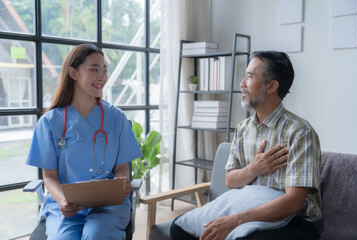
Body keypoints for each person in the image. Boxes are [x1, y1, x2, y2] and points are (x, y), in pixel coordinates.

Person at [170, 51, 321, 240]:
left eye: (249, 76)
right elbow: (230, 180)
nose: (242, 83)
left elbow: (293, 203)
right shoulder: (243, 128)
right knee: (179, 228)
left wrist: (235, 220)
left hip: (293, 220)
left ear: (272, 86)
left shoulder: (300, 132)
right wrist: (255, 168)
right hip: (247, 207)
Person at [26, 44, 142, 240]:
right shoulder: (49, 123)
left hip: (107, 205)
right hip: (66, 205)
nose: (102, 77)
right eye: (94, 69)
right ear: (73, 73)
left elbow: (122, 167)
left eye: (104, 70)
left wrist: (121, 181)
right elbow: (50, 177)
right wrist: (63, 201)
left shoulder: (116, 117)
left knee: (96, 234)